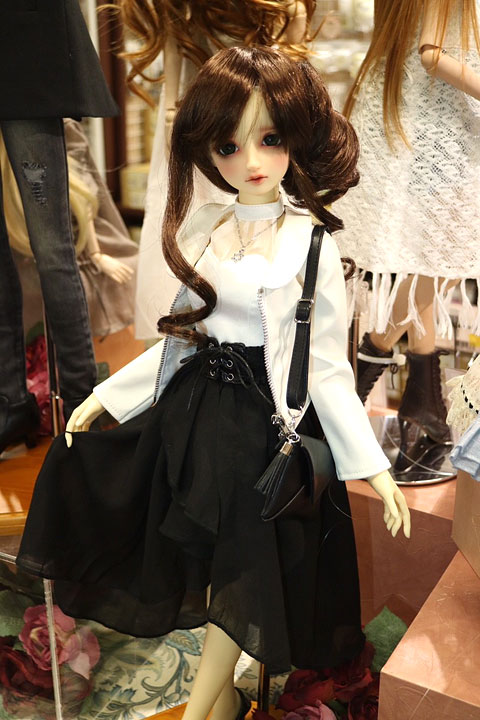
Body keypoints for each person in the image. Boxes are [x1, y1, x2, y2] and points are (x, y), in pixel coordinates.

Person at [17, 47, 410, 720]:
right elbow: (182, 338)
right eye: (229, 145)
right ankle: (221, 702)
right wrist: (107, 396)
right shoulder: (207, 225)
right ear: (206, 148)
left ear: (297, 137)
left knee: (241, 566)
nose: (251, 160)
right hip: (195, 412)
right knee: (207, 560)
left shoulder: (312, 244)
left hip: (262, 426)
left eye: (270, 138)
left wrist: (370, 466)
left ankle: (201, 709)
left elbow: (325, 370)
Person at [333, 0, 480, 472]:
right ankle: (364, 367)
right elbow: (432, 53)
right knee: (447, 260)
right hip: (440, 127)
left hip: (421, 117)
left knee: (431, 262)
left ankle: (423, 398)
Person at [112, 0, 317, 338]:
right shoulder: (186, 10)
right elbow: (174, 68)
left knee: (267, 227)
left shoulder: (283, 10)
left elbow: (292, 81)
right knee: (194, 232)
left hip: (260, 120)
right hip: (203, 128)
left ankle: (263, 321)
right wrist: (173, 121)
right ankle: (198, 328)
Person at [0, 0, 118, 456]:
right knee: (44, 251)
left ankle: (81, 401)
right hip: (28, 41)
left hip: (27, 48)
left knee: (53, 250)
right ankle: (12, 404)